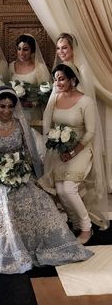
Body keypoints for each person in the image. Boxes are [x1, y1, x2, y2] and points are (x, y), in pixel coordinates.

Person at [0, 86, 93, 274]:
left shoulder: (21, 126)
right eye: (2, 106)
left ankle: (34, 242)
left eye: (10, 107)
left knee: (36, 200)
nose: (6, 111)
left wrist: (20, 170)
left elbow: (28, 154)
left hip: (19, 172)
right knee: (0, 201)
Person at [43, 33, 109, 234]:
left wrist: (72, 149)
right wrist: (54, 142)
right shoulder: (57, 89)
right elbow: (48, 118)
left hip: (80, 145)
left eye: (65, 48)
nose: (61, 52)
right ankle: (75, 223)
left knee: (68, 187)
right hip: (60, 145)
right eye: (58, 48)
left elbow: (89, 128)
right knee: (60, 188)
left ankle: (86, 226)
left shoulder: (83, 86)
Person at [9, 34, 50, 125]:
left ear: (32, 51)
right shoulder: (11, 67)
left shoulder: (40, 68)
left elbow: (47, 93)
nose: (22, 53)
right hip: (14, 114)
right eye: (19, 49)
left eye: (25, 49)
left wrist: (33, 102)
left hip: (33, 114)